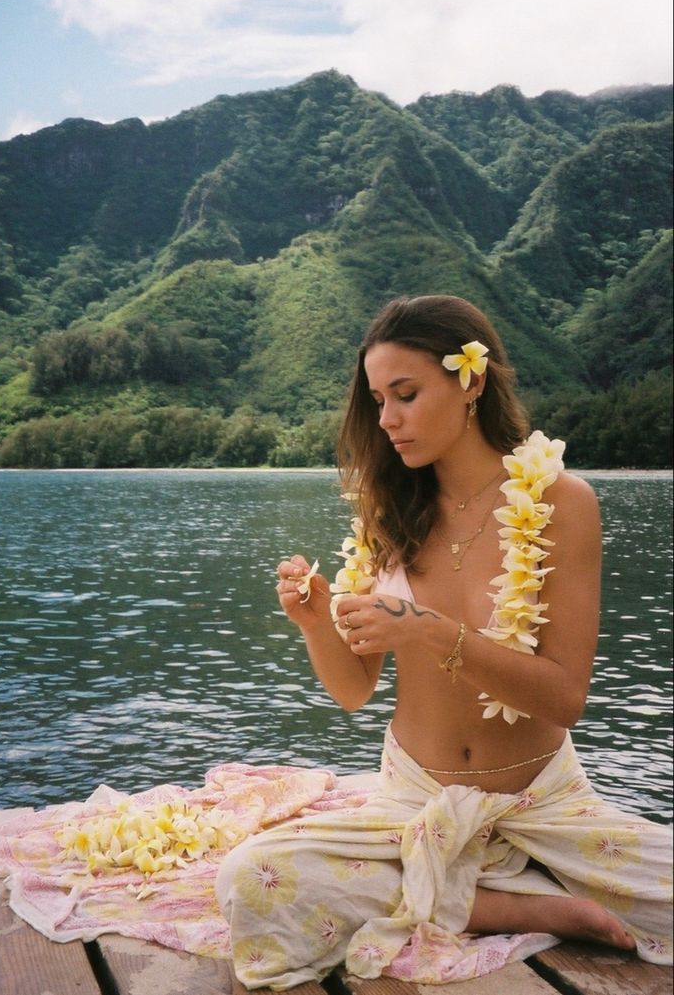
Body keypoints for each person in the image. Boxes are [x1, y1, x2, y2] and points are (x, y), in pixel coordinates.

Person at [215, 294, 672, 989]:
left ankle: (459, 888)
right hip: (413, 799)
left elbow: (565, 695)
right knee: (250, 881)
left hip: (541, 801)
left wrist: (428, 631)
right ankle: (505, 903)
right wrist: (315, 620)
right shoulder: (387, 511)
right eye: (377, 400)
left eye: (405, 393)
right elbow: (353, 688)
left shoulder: (561, 503)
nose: (387, 419)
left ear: (472, 382)